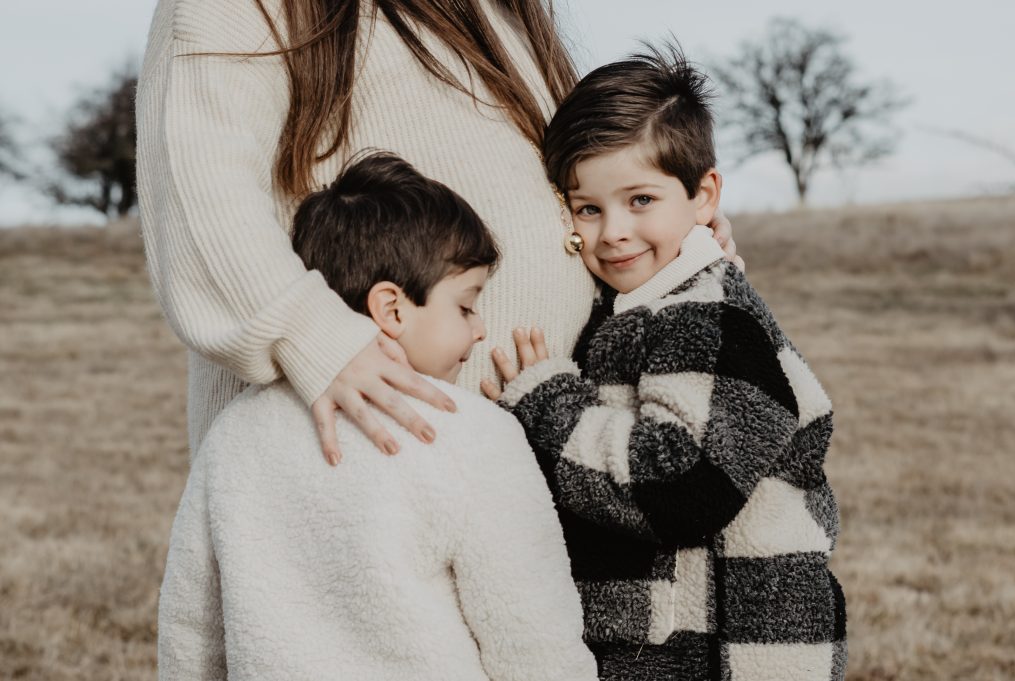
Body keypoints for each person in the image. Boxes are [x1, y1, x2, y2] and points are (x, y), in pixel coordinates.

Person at [136, 0, 739, 465]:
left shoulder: (502, 14)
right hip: (365, 457)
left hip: (514, 468)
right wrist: (316, 340)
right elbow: (199, 191)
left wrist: (677, 250)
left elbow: (588, 184)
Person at [158, 152, 599, 681]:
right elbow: (532, 636)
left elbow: (191, 626)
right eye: (465, 305)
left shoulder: (235, 434)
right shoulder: (475, 435)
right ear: (391, 308)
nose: (480, 330)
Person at [483, 48, 847, 681]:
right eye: (588, 208)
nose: (613, 232)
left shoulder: (707, 317)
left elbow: (684, 487)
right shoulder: (642, 309)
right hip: (670, 643)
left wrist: (547, 403)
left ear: (704, 195)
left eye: (641, 200)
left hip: (721, 653)